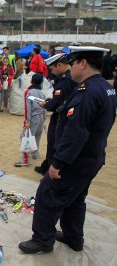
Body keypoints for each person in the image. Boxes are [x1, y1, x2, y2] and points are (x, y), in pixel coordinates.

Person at [19, 46, 117, 254]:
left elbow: (76, 133)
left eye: (72, 63)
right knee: (76, 198)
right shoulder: (105, 87)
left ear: (83, 63)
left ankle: (42, 240)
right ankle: (74, 238)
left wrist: (58, 163)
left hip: (76, 160)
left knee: (47, 194)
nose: (70, 68)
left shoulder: (87, 92)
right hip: (93, 157)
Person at [34, 53, 78, 175]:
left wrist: (46, 104)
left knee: (54, 143)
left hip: (61, 116)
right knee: (53, 142)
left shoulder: (66, 80)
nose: (52, 72)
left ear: (59, 65)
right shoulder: (68, 78)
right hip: (63, 114)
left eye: (53, 68)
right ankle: (47, 165)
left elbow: (57, 103)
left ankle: (49, 170)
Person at [14, 73, 46, 167]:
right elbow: (44, 107)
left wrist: (27, 121)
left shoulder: (29, 92)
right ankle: (35, 155)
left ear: (31, 81)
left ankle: (25, 159)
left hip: (33, 118)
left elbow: (28, 108)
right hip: (41, 117)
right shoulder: (42, 93)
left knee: (25, 138)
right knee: (36, 136)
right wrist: (43, 121)